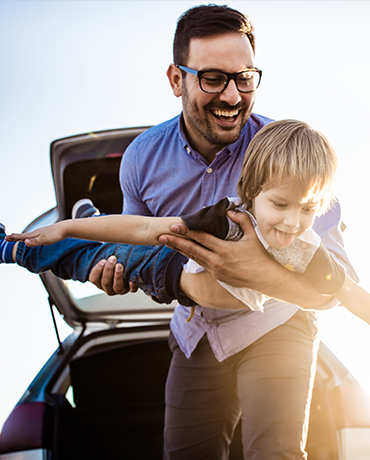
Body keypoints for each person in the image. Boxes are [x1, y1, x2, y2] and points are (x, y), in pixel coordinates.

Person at [0, 5, 358, 459]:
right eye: (212, 78)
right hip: (194, 329)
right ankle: (26, 244)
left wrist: (255, 273)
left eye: (244, 77)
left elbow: (335, 287)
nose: (232, 95)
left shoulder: (284, 156)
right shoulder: (142, 159)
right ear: (176, 80)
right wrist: (100, 256)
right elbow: (142, 240)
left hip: (277, 328)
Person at [5, 120, 370, 329]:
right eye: (279, 204)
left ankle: (89, 221)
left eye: (308, 209)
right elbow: (143, 230)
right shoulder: (226, 220)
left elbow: (347, 293)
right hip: (162, 265)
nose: (293, 222)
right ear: (253, 191)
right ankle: (16, 248)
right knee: (84, 259)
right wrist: (67, 229)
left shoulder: (305, 246)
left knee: (100, 251)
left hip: (190, 296)